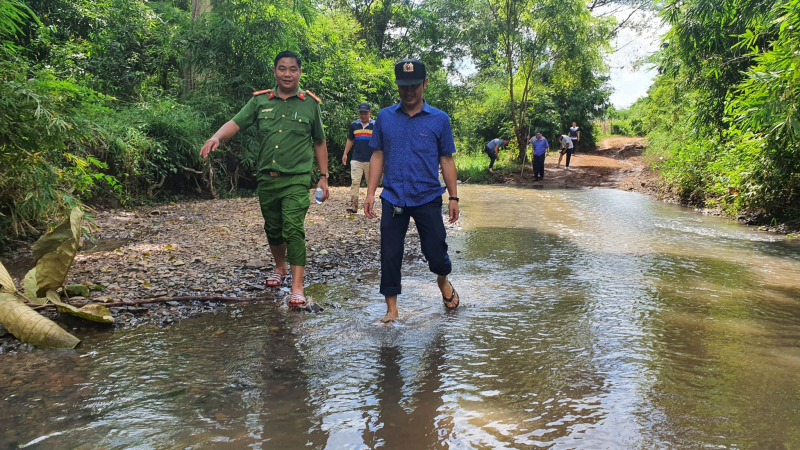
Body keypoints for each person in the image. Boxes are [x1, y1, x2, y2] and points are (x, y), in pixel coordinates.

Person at [199, 50, 328, 308]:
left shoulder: (310, 104)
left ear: (300, 72)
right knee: (273, 227)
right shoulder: (260, 101)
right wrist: (216, 137)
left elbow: (319, 141)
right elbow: (236, 122)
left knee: (293, 228)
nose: (287, 74)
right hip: (267, 178)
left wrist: (323, 177)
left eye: (293, 69)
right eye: (282, 68)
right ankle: (280, 267)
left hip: (297, 178)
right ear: (275, 71)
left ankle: (297, 286)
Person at [364, 59, 460, 323]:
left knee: (436, 253)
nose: (409, 92)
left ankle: (443, 281)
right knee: (390, 253)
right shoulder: (384, 117)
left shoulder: (439, 119)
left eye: (414, 86)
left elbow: (447, 160)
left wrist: (453, 197)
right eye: (403, 86)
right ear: (397, 86)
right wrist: (371, 193)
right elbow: (378, 155)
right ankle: (392, 309)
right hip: (393, 196)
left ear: (425, 84)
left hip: (427, 196)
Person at [342, 102, 375, 213]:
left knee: (370, 184)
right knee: (355, 182)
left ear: (370, 113)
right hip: (356, 159)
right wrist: (345, 153)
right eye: (361, 113)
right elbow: (350, 140)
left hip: (371, 160)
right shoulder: (354, 125)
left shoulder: (375, 125)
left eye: (365, 113)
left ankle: (369, 206)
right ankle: (353, 205)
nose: (363, 115)